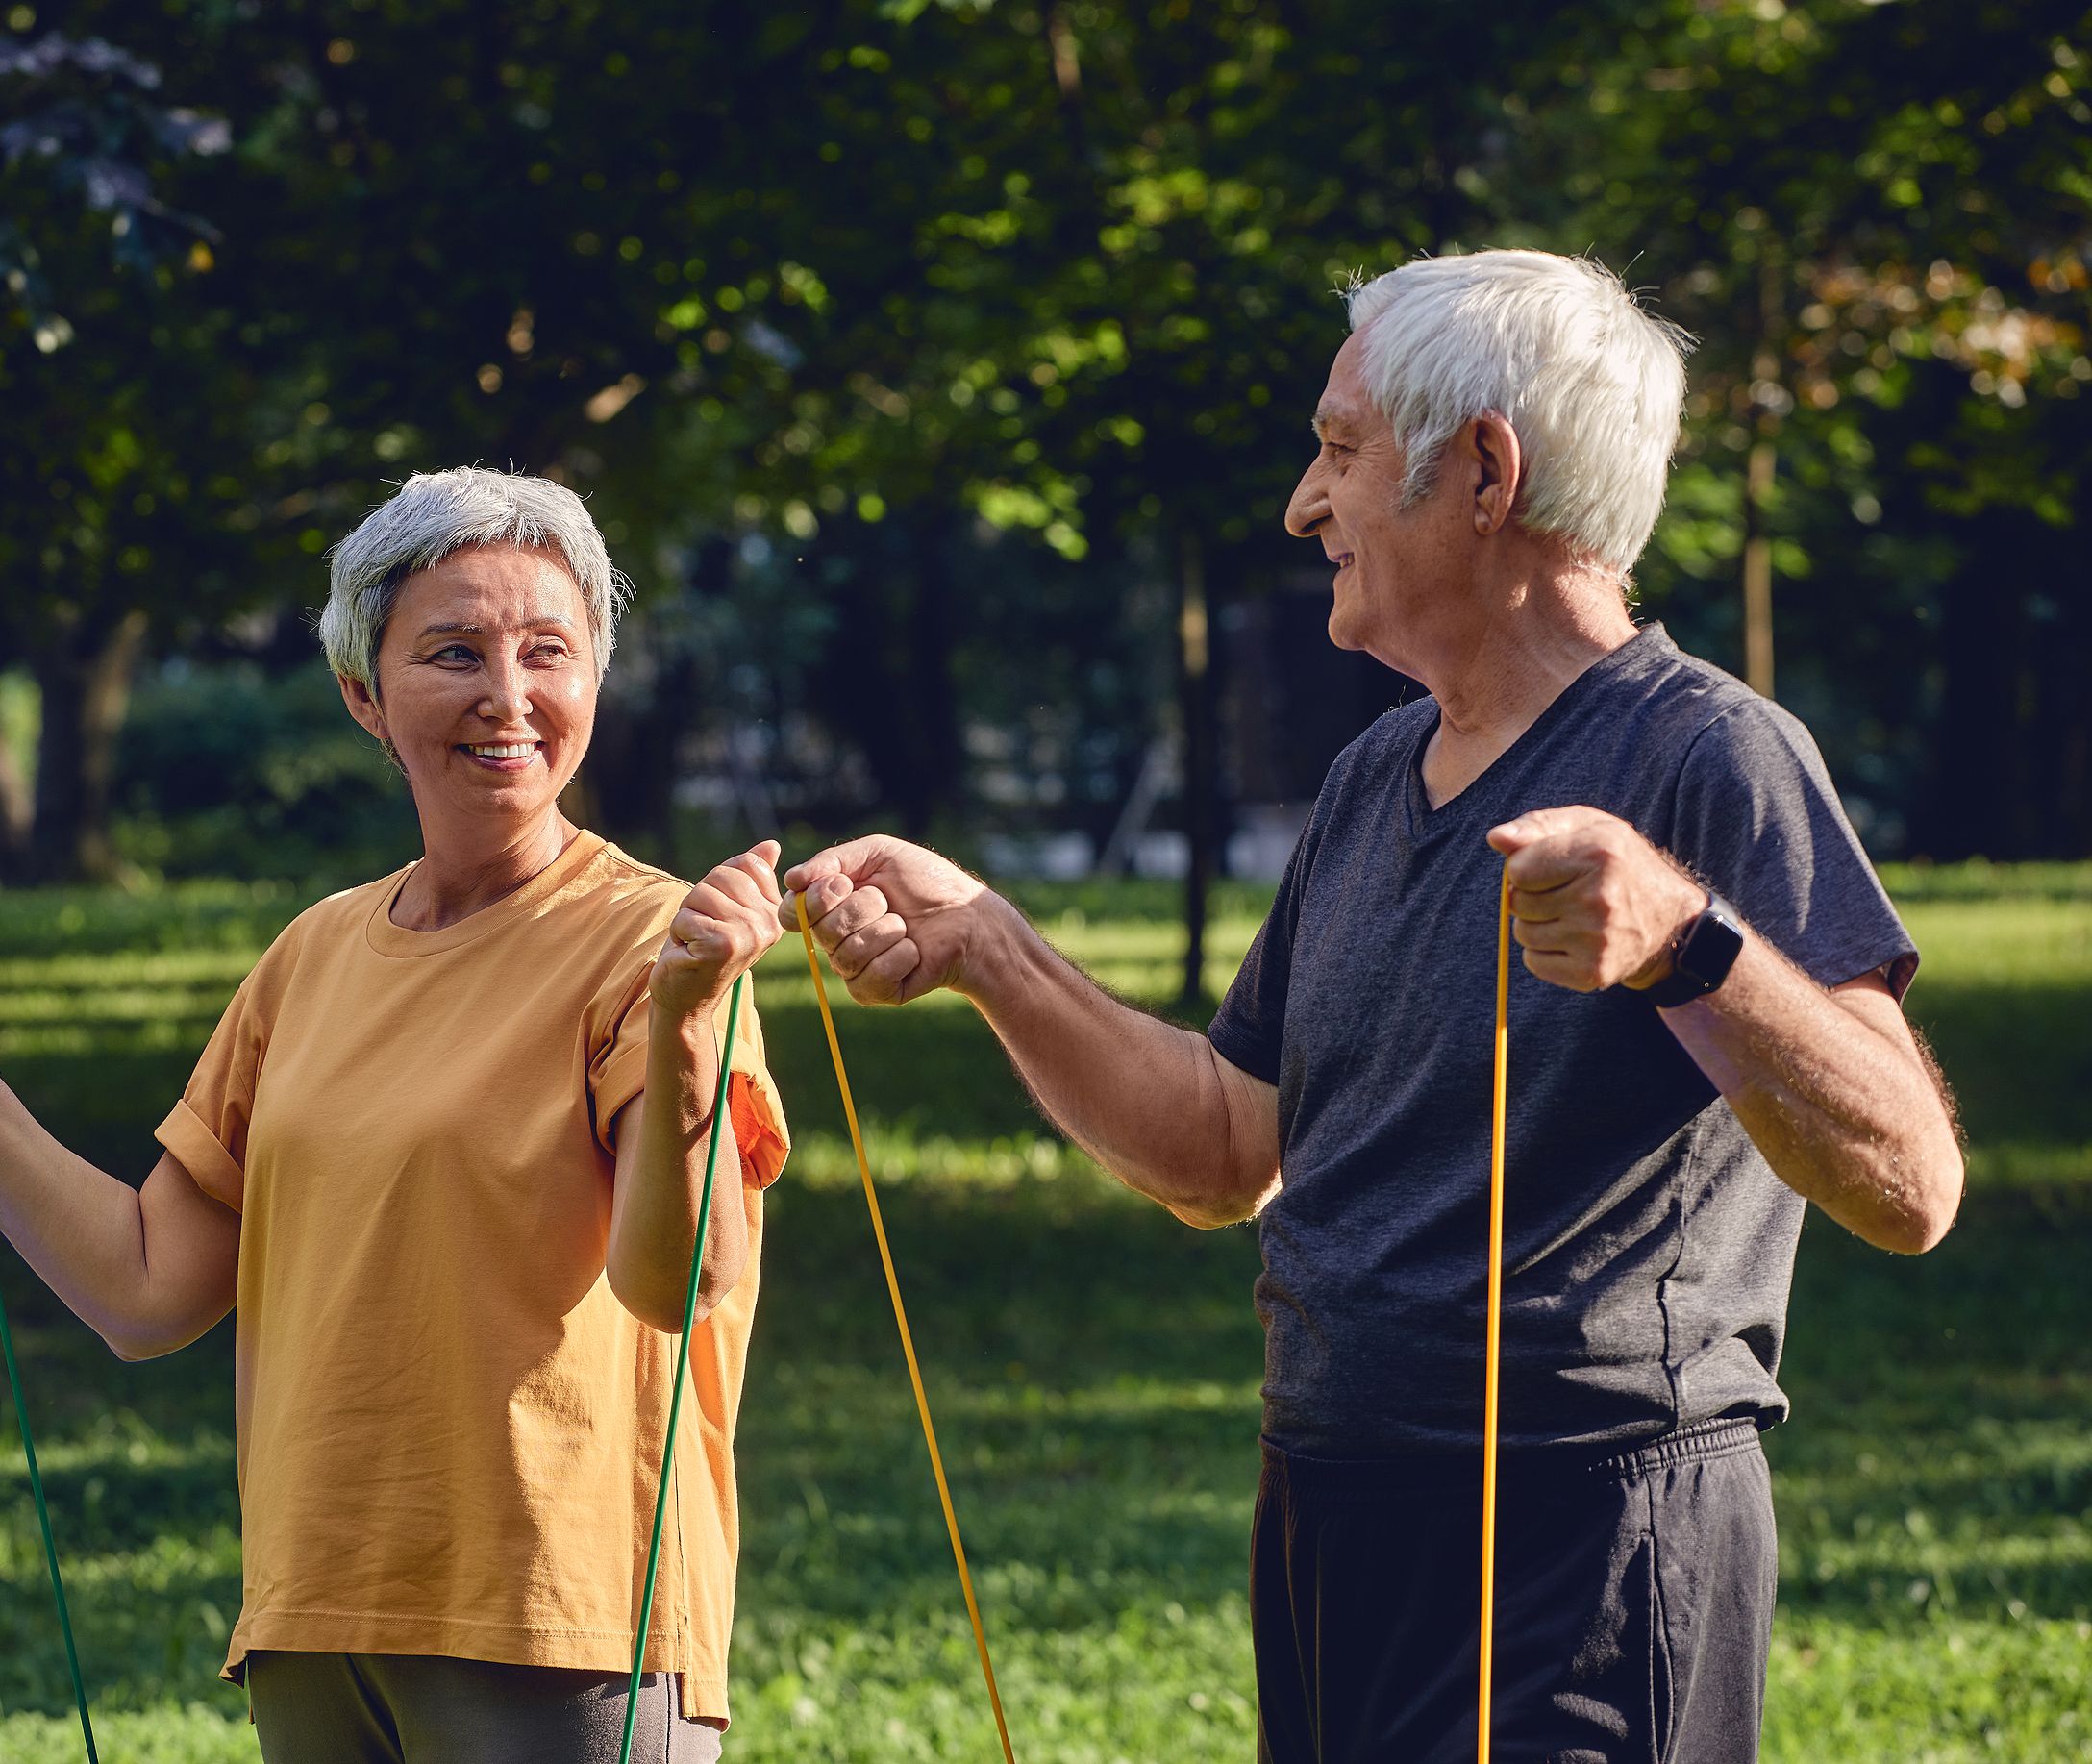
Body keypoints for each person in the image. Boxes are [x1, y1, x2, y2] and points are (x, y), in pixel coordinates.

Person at [784, 250, 1964, 1762]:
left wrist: (1686, 936)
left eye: (1341, 449)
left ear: (1485, 471)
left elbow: (1914, 1183)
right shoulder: (1367, 781)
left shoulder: (1713, 758)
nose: (1303, 501)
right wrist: (995, 956)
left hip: (1582, 1530)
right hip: (1333, 1507)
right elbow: (1224, 1147)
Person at [0, 467, 789, 1763]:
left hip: (559, 1628)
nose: (507, 697)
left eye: (547, 653)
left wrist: (683, 1024)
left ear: (593, 683)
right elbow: (147, 1285)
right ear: (364, 696)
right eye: (453, 653)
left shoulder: (650, 945)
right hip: (319, 1622)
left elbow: (685, 1283)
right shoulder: (314, 955)